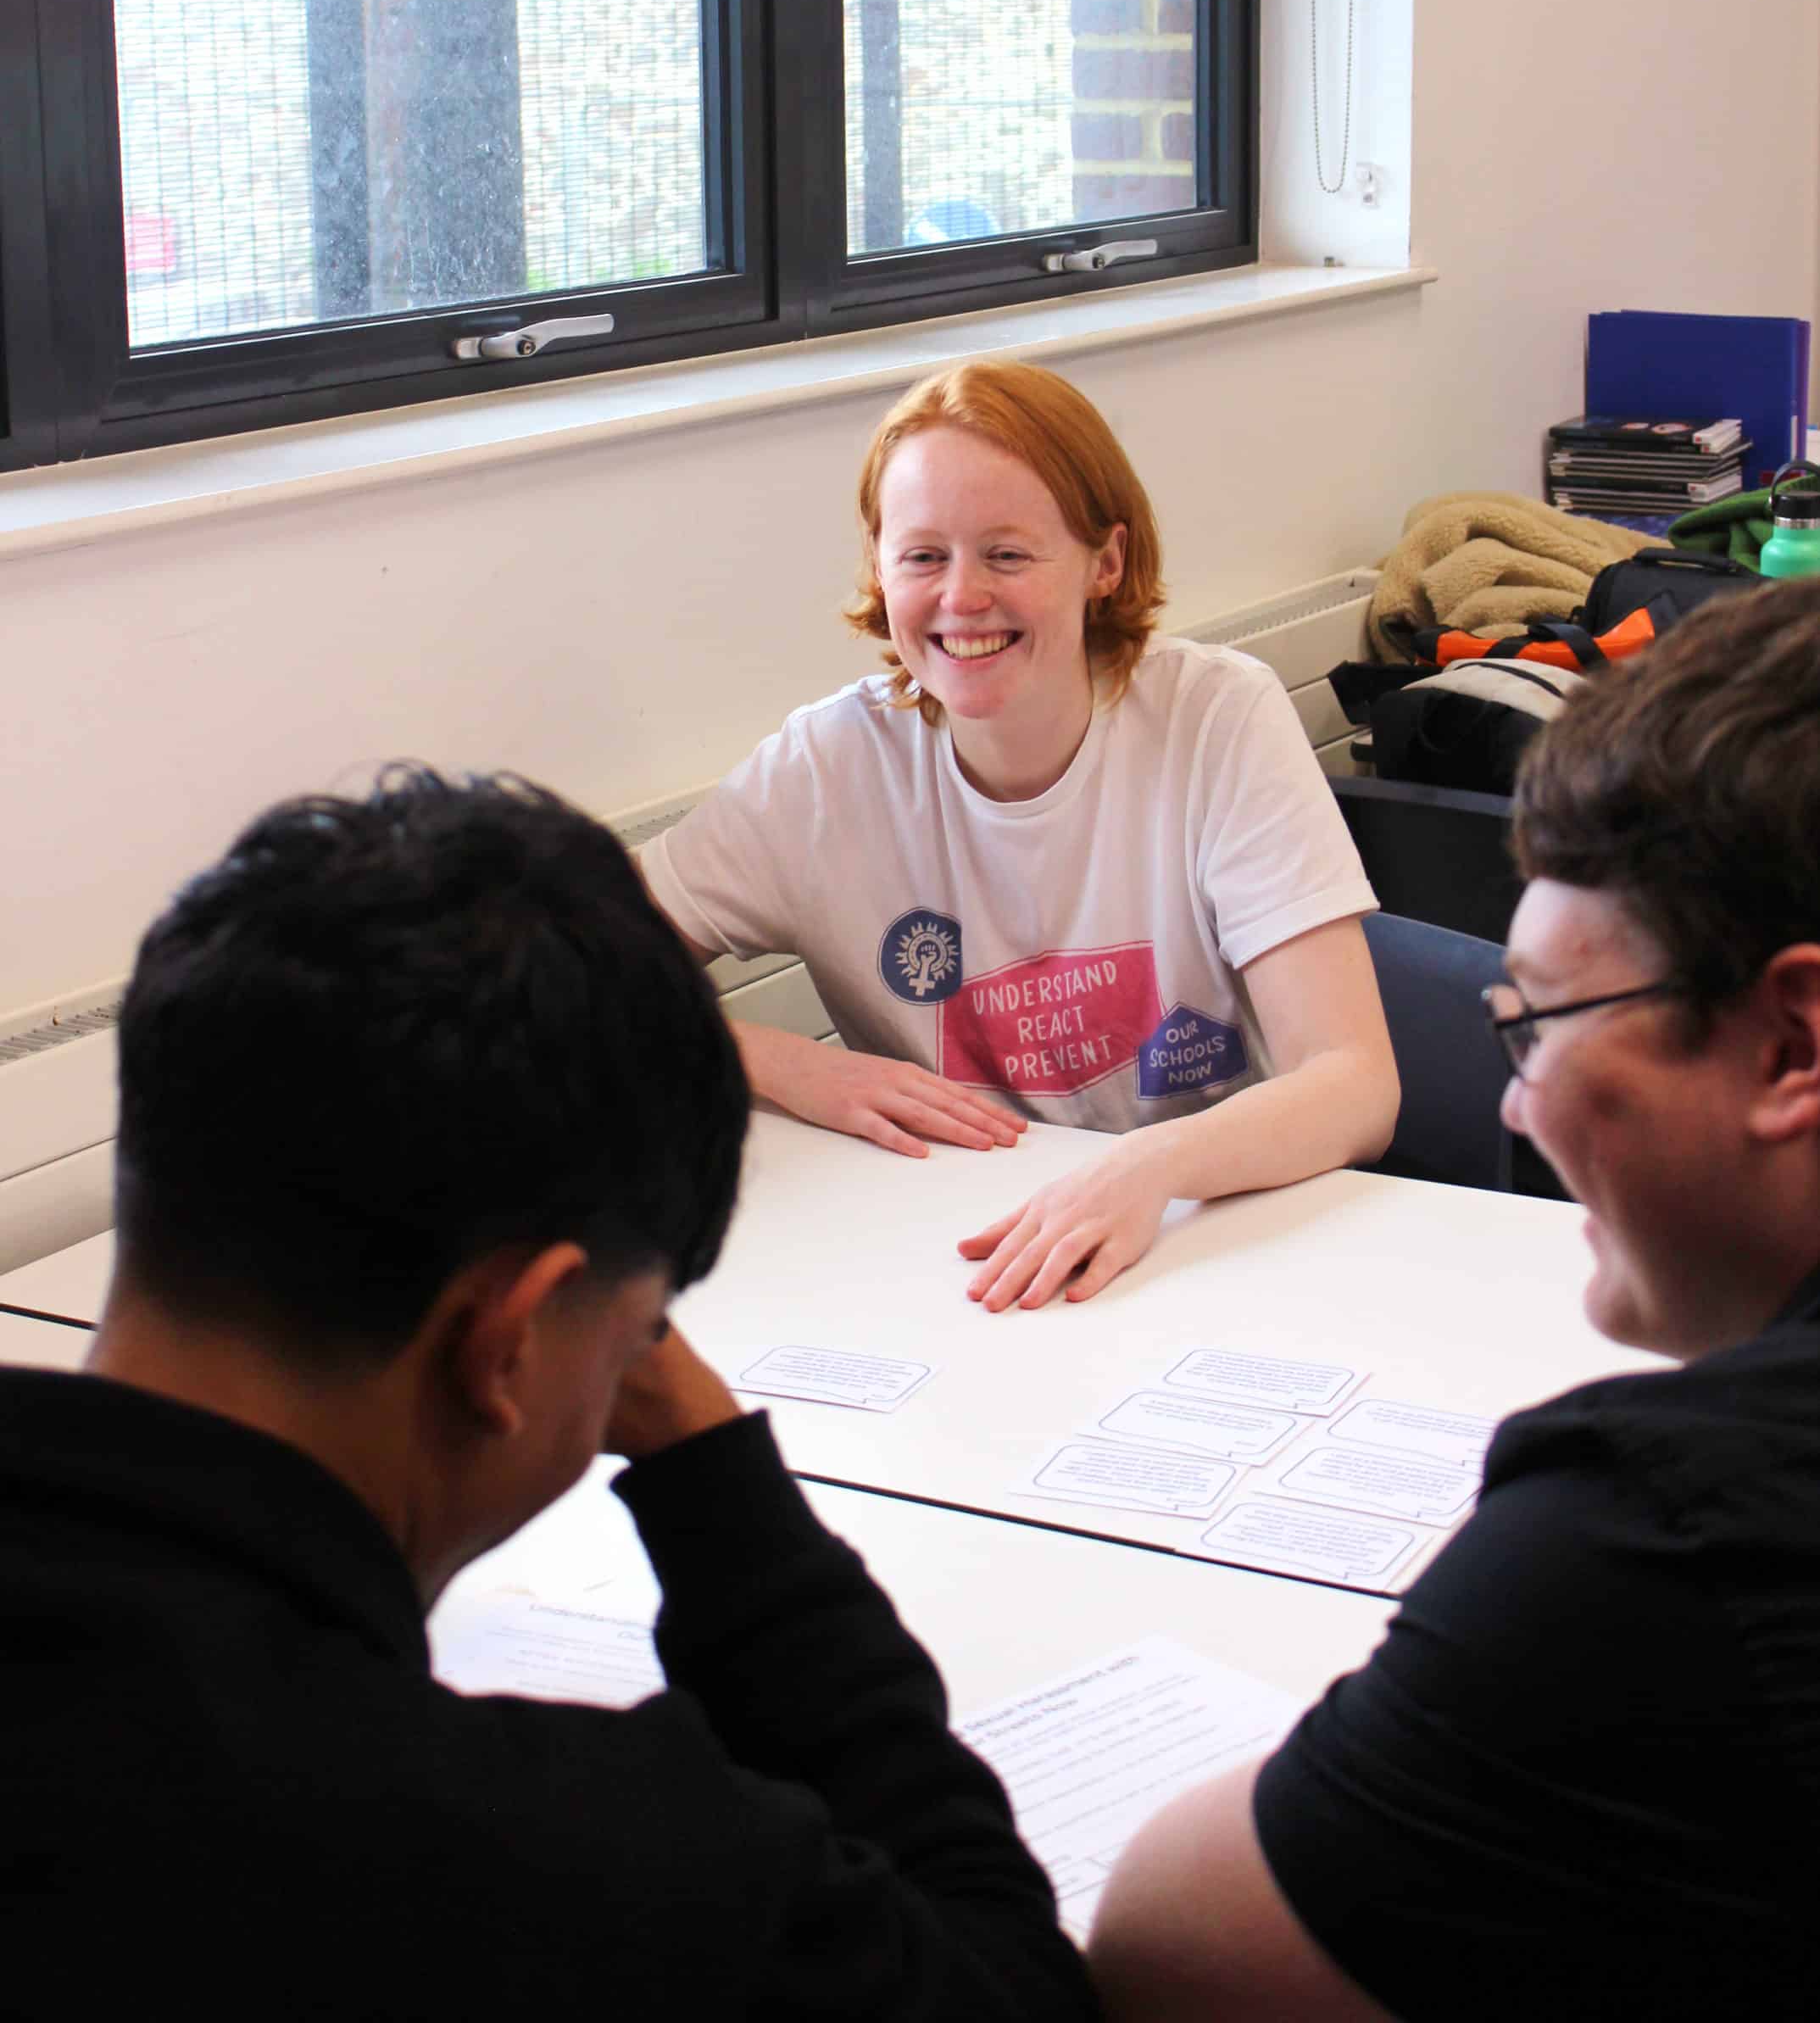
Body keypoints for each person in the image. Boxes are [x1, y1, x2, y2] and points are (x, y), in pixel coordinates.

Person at [0, 771, 1095, 2023]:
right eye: (635, 1336)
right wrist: (714, 1476)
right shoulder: (549, 1864)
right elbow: (1007, 1990)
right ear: (505, 1347)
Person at [1088, 573, 1820, 2022]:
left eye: (1537, 1029)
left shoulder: (1671, 1534)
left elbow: (1167, 1949)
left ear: (1791, 1045)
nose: (1518, 1113)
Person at [641, 360, 1398, 1309]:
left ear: (1103, 564)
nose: (961, 598)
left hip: (1206, 1236)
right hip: (957, 1256)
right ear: (879, 565)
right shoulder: (824, 768)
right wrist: (788, 1064)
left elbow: (1354, 1084)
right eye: (922, 557)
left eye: (1007, 555)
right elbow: (569, 971)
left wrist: (1146, 1169)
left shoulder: (1216, 716)